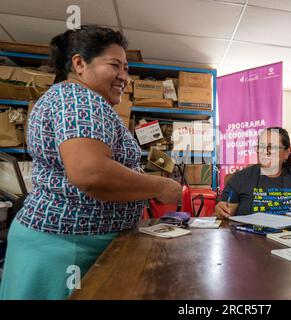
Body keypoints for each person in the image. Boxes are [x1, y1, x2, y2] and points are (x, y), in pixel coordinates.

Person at [0, 25, 181, 300]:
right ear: (79, 63)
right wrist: (160, 186)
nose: (125, 77)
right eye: (115, 65)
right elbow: (90, 173)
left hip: (67, 241)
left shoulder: (72, 98)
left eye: (127, 69)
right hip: (66, 245)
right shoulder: (78, 99)